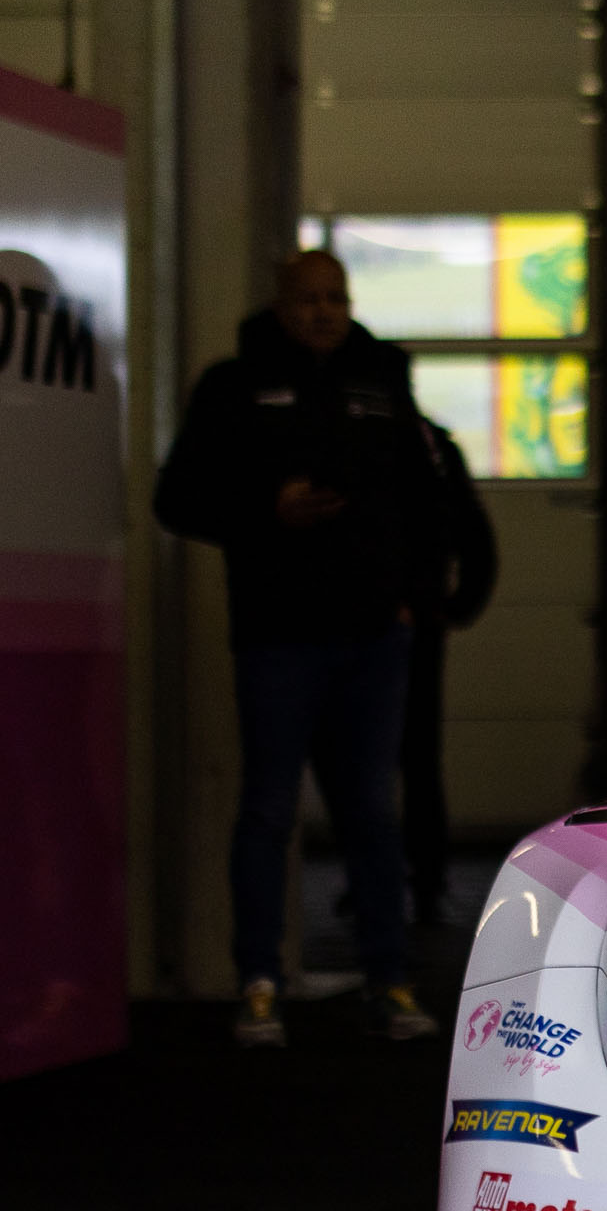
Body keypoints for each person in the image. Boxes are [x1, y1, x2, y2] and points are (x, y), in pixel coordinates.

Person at [153, 248, 442, 1048]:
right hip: (278, 635)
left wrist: (415, 598)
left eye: (336, 297)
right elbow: (177, 499)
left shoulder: (383, 379)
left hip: (374, 635)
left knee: (371, 813)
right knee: (269, 810)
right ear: (280, 306)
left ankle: (389, 978)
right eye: (308, 298)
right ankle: (259, 983)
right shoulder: (232, 384)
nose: (323, 311)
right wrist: (267, 507)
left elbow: (427, 496)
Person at [401, 413, 499, 930]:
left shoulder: (428, 446)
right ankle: (421, 879)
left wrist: (453, 606)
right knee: (414, 757)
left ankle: (416, 878)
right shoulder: (432, 445)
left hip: (403, 625)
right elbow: (476, 537)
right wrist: (453, 606)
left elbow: (475, 538)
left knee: (393, 760)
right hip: (412, 623)